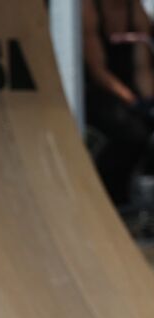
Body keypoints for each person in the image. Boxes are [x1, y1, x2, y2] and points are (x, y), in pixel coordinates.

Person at [84, 0, 154, 206]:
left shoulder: (135, 10)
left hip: (131, 88)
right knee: (130, 133)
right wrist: (131, 100)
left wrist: (148, 102)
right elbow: (97, 70)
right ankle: (108, 196)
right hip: (100, 89)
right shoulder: (88, 9)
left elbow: (142, 68)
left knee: (145, 127)